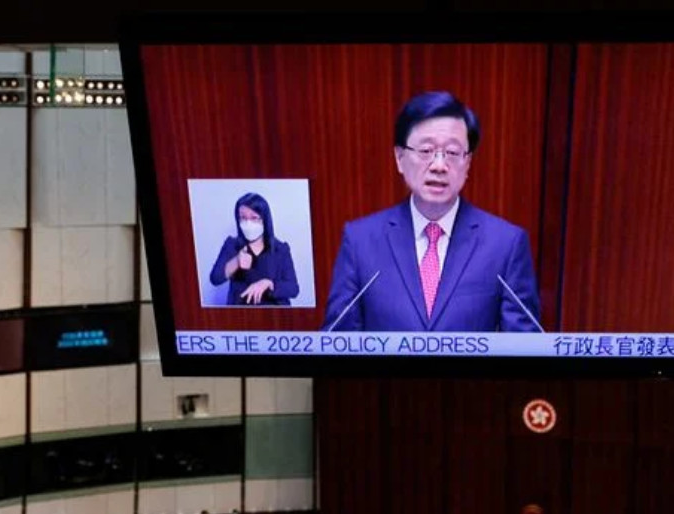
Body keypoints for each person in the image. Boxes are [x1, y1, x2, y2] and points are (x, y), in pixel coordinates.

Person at [321, 91, 541, 333]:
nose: (438, 166)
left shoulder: (506, 244)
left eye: (453, 152)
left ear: (467, 163)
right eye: (426, 151)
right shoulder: (360, 240)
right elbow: (337, 345)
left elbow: (523, 350)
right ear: (400, 158)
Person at [207, 192, 301, 306]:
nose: (248, 223)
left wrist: (269, 284)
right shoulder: (232, 245)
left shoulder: (280, 249)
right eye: (243, 218)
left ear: (265, 220)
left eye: (254, 218)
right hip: (241, 316)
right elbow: (215, 279)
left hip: (275, 316)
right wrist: (236, 262)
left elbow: (293, 289)